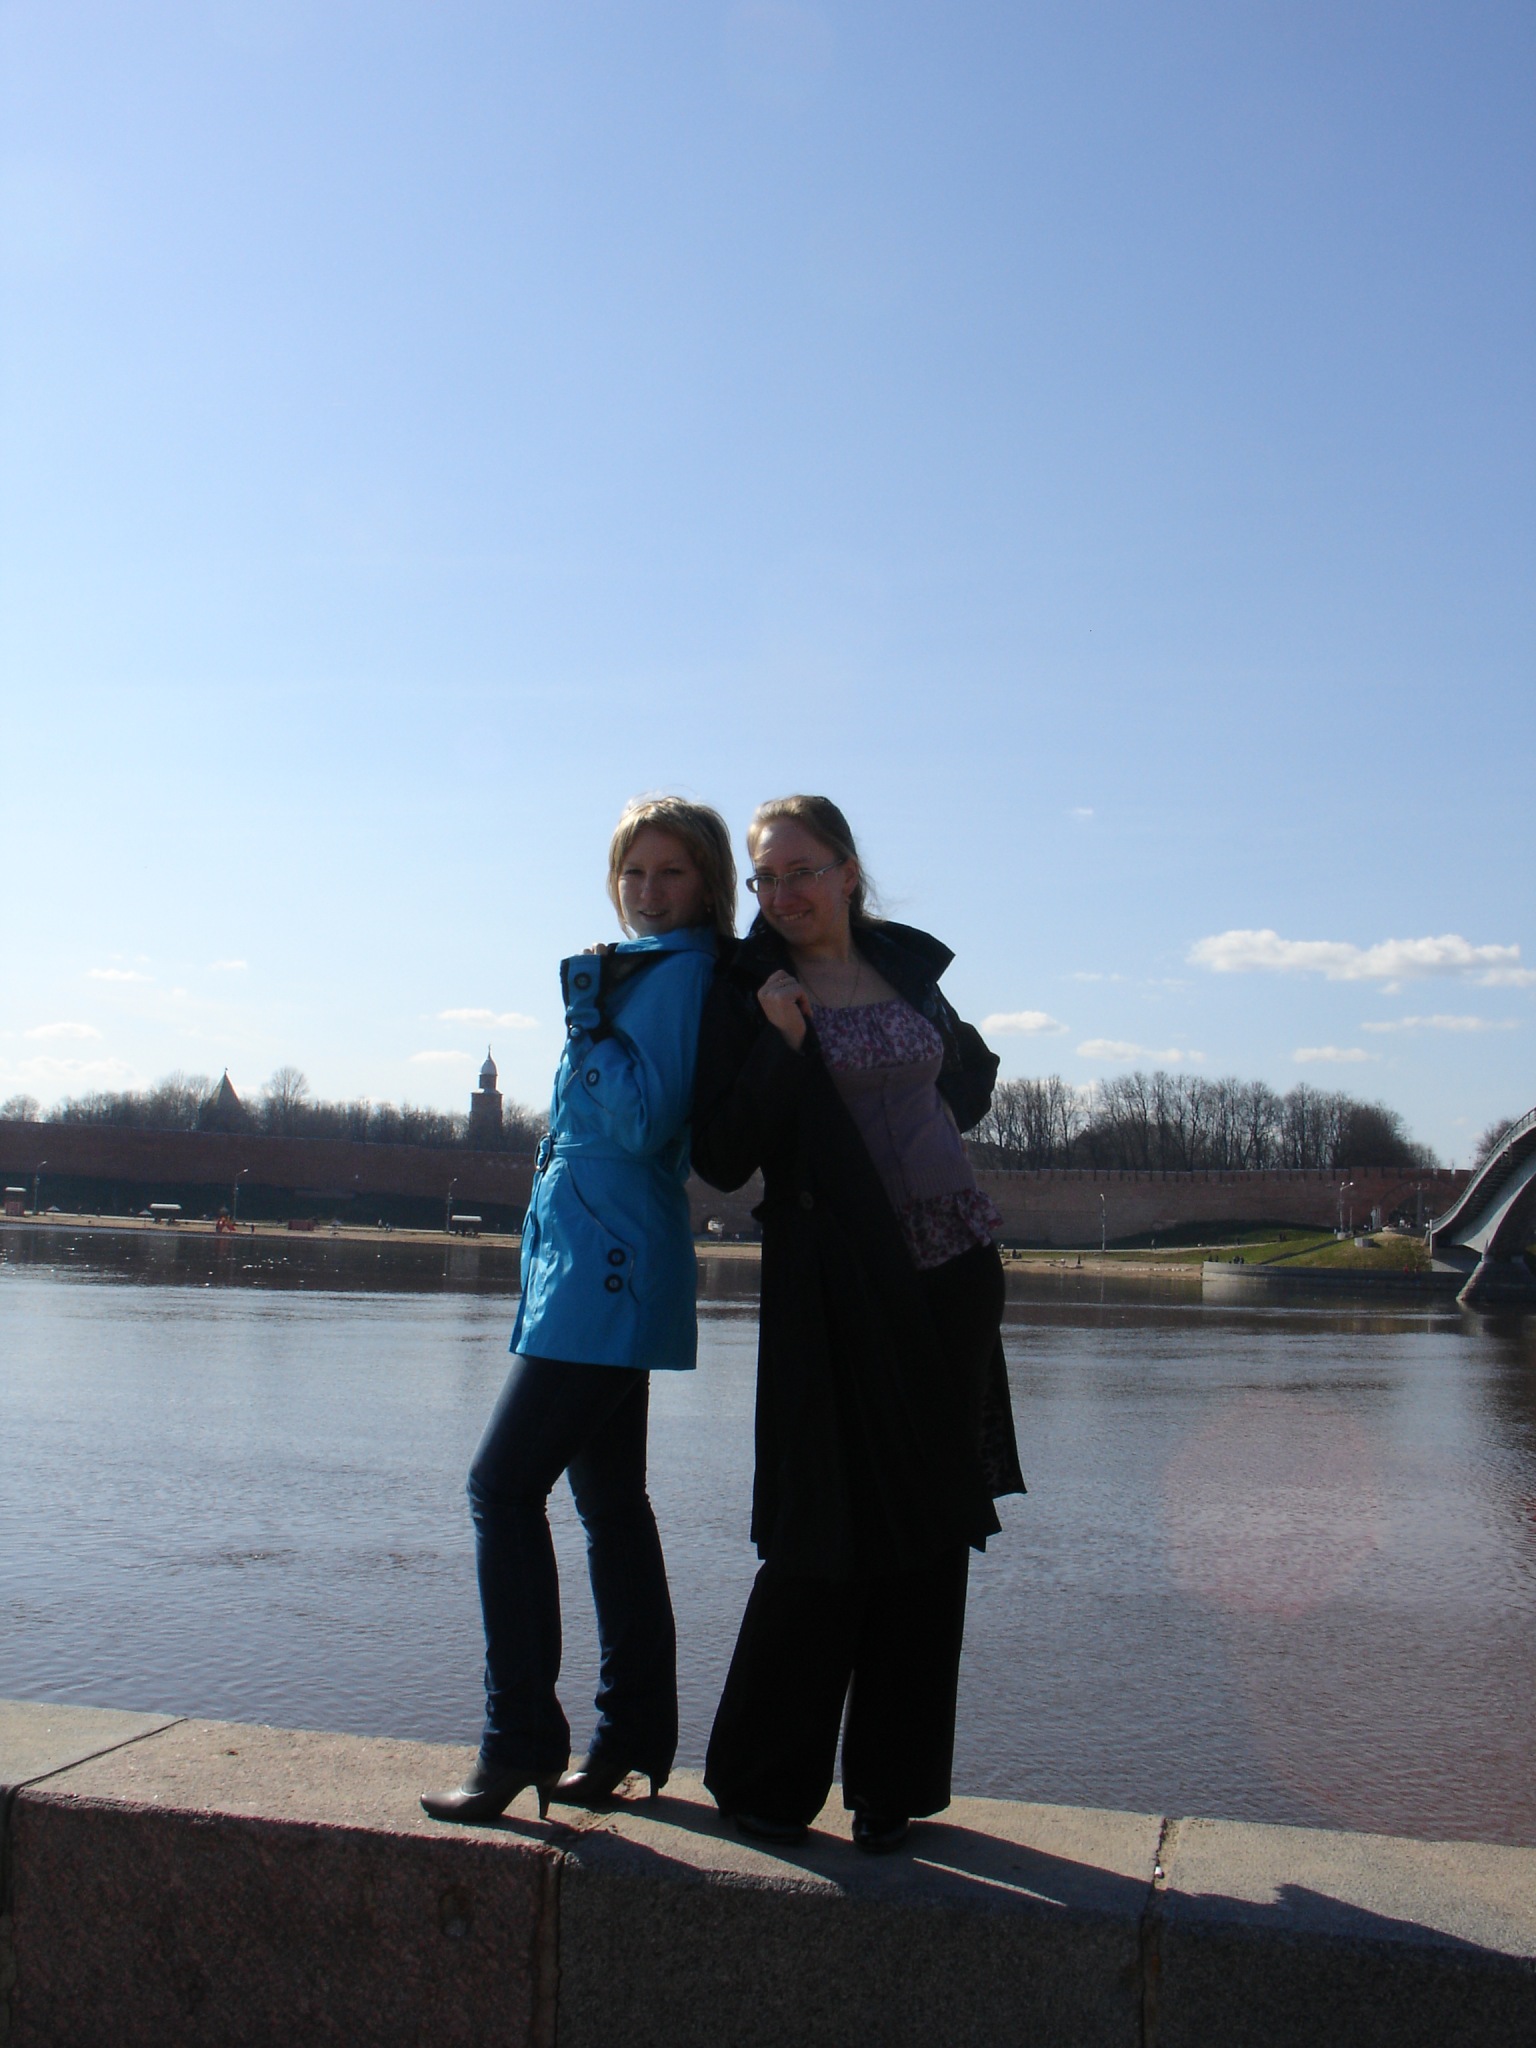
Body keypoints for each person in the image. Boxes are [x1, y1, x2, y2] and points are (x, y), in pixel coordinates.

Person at [691, 795, 1023, 1853]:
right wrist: (782, 1046)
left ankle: (893, 1785)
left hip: (954, 1268)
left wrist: (929, 1127)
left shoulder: (906, 968)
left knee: (929, 1523)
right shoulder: (748, 988)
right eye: (765, 877)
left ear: (846, 872)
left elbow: (968, 1078)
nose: (783, 893)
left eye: (802, 871)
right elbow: (722, 1152)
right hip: (834, 1278)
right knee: (823, 1521)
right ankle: (764, 1780)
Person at [422, 797, 736, 1824]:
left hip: (607, 1266)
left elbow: (642, 1122)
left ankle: (517, 1737)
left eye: (670, 872)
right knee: (610, 1507)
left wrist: (587, 1016)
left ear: (706, 882)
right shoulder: (654, 970)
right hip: (596, 1262)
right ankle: (629, 1735)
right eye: (633, 872)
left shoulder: (677, 974)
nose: (648, 890)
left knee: (500, 1487)